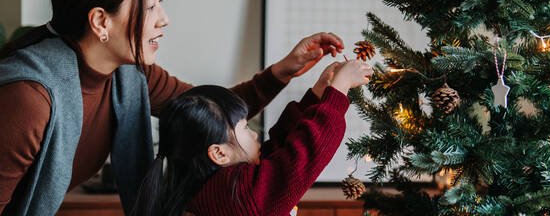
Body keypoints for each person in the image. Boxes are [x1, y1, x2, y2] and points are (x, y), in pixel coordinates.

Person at [0, 0, 346, 216]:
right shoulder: (29, 101)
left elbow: (210, 114)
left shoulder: (130, 74)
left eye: (161, 3)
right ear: (100, 21)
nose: (164, 19)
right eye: (151, 6)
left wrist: (283, 70)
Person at [130, 59, 372, 216]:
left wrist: (317, 96)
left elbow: (275, 156)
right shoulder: (238, 196)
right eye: (245, 127)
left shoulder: (212, 185)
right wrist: (338, 89)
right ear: (219, 153)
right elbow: (301, 157)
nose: (254, 133)